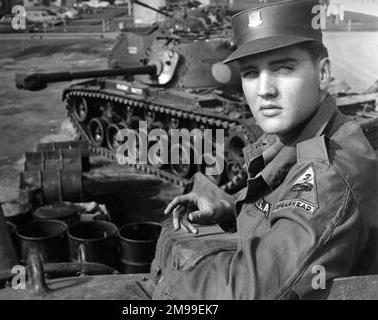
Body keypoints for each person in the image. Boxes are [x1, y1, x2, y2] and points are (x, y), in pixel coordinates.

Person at [152, 0, 378, 300]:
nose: (264, 90)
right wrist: (229, 209)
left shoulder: (328, 174)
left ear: (323, 74)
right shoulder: (303, 136)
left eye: (283, 68)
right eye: (250, 73)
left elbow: (249, 292)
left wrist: (162, 286)